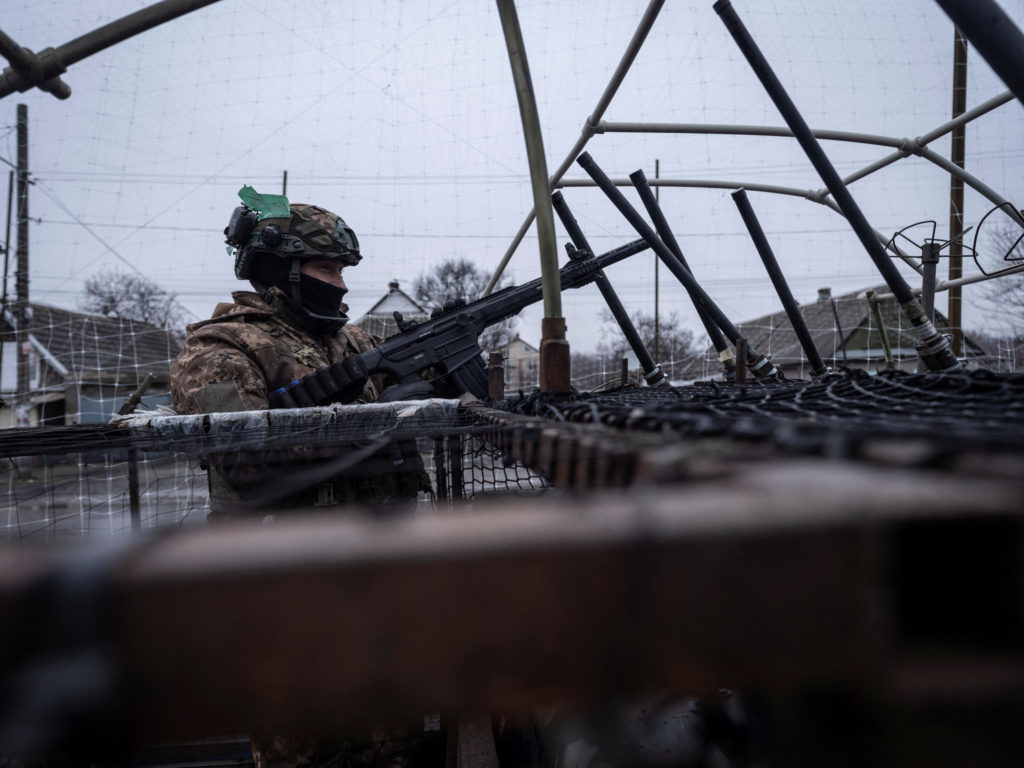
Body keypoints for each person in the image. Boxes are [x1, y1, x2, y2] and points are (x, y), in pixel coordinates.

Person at [171, 188, 431, 518]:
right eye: (326, 268)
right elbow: (248, 460)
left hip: (388, 547)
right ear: (279, 270)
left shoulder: (351, 340)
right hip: (283, 558)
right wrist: (368, 425)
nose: (342, 285)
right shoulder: (215, 350)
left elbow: (423, 378)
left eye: (342, 271)